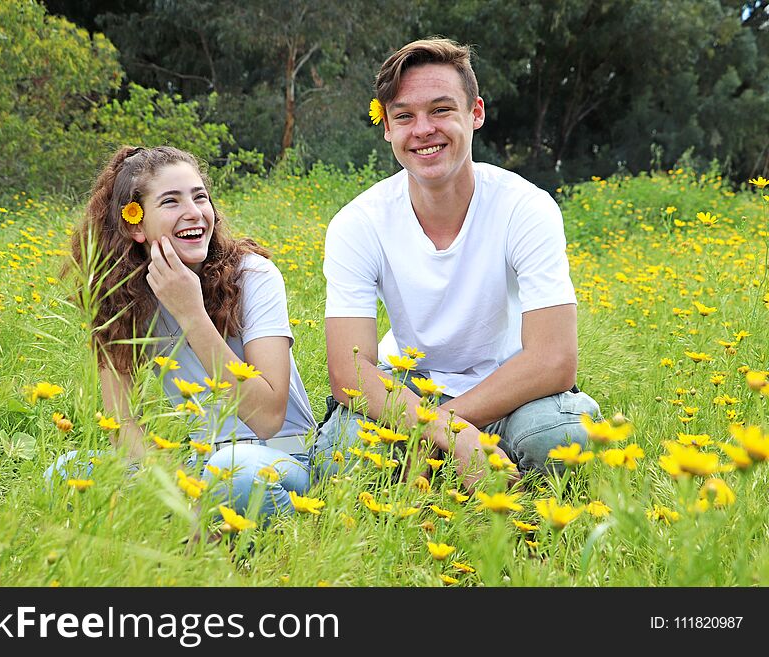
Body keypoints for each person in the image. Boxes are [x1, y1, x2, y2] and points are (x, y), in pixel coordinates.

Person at [314, 38, 601, 487]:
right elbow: (349, 371)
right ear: (387, 128)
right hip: (409, 387)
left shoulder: (525, 207)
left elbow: (553, 360)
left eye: (441, 110)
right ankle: (462, 464)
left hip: (511, 391)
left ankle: (488, 477)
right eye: (404, 116)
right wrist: (447, 431)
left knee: (562, 437)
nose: (422, 129)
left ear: (476, 113)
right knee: (346, 459)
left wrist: (437, 430)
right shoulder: (358, 222)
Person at [44, 145, 316, 519]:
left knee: (232, 470)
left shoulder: (254, 276)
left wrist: (192, 314)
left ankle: (244, 535)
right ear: (134, 224)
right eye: (171, 201)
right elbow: (122, 423)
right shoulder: (121, 296)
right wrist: (174, 485)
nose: (194, 213)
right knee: (68, 469)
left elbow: (268, 416)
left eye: (200, 196)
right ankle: (189, 518)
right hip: (200, 465)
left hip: (280, 455)